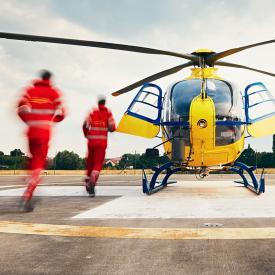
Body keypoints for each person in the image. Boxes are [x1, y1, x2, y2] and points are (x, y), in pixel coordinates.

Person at [17, 70, 66, 211]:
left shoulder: (30, 91)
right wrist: (52, 120)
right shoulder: (54, 93)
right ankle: (28, 193)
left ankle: (28, 176)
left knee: (33, 160)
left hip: (31, 132)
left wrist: (29, 121)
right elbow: (62, 113)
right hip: (44, 134)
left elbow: (21, 109)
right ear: (50, 79)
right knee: (38, 165)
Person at [83, 95, 116, 197]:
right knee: (97, 165)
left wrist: (86, 134)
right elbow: (112, 127)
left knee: (90, 163)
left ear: (98, 103)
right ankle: (93, 179)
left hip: (91, 141)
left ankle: (88, 182)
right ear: (104, 103)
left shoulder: (93, 112)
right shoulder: (108, 113)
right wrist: (109, 128)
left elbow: (85, 125)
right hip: (101, 143)